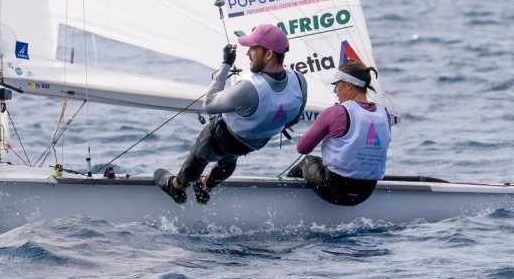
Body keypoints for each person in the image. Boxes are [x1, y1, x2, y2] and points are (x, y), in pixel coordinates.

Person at [154, 24, 307, 205]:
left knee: (199, 156)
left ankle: (178, 186)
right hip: (255, 143)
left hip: (223, 138)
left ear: (269, 54)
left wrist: (226, 63)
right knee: (230, 158)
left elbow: (209, 104)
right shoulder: (299, 80)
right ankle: (206, 185)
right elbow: (294, 118)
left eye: (253, 48)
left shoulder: (250, 89)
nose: (247, 53)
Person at [288, 60, 392, 206]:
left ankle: (286, 204)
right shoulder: (384, 114)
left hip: (334, 188)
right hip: (366, 192)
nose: (335, 90)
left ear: (348, 85)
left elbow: (302, 148)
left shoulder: (336, 112)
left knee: (307, 160)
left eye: (337, 85)